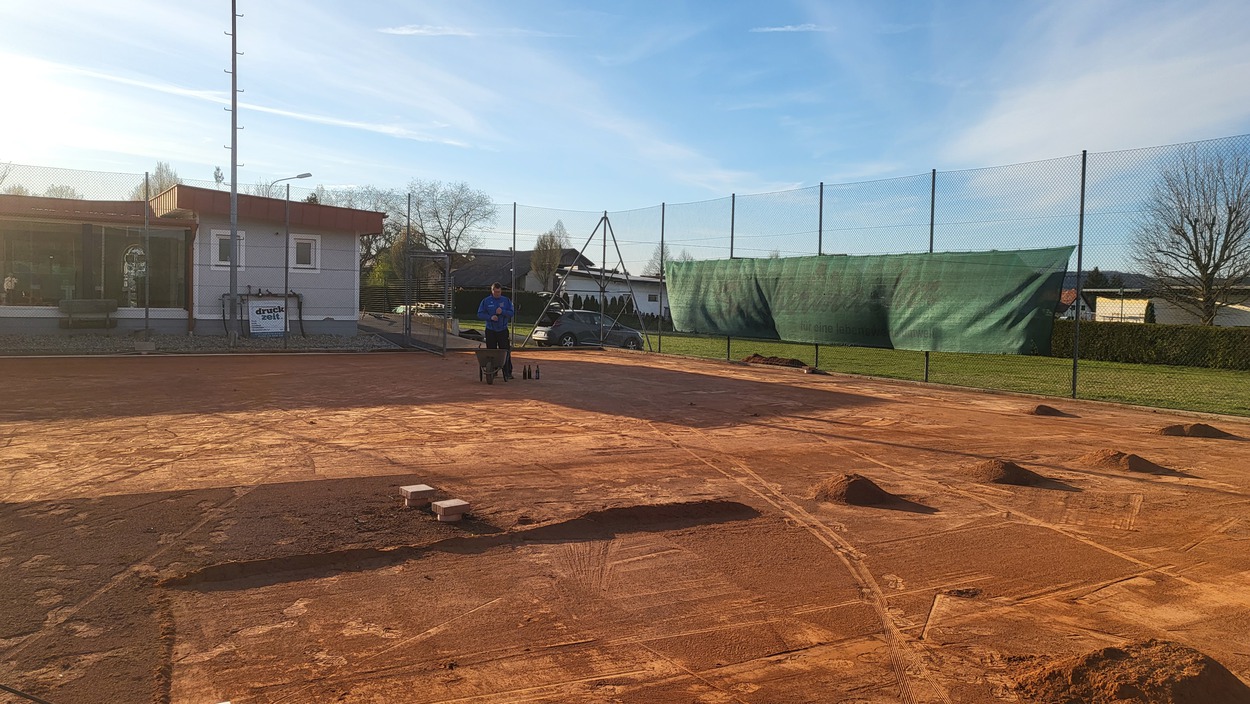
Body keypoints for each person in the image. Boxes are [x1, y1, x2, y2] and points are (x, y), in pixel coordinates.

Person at [477, 281, 515, 380]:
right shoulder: (486, 301)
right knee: (491, 351)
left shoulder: (506, 301)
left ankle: (507, 372)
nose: (497, 294)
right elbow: (480, 314)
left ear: (501, 291)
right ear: (492, 291)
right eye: (495, 292)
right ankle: (492, 371)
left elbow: (511, 313)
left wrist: (503, 312)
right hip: (490, 330)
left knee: (505, 351)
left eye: (499, 292)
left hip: (502, 330)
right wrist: (490, 317)